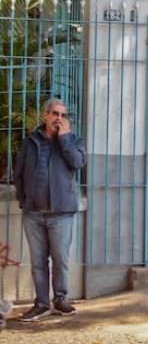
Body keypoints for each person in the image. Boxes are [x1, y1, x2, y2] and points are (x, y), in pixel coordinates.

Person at [14, 98, 85, 321]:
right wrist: (23, 199)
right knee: (38, 262)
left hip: (61, 212)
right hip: (33, 213)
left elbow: (77, 163)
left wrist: (63, 139)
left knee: (61, 259)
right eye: (55, 114)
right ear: (45, 115)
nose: (59, 119)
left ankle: (61, 299)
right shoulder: (31, 141)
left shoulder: (74, 140)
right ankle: (42, 304)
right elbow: (19, 173)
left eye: (63, 115)